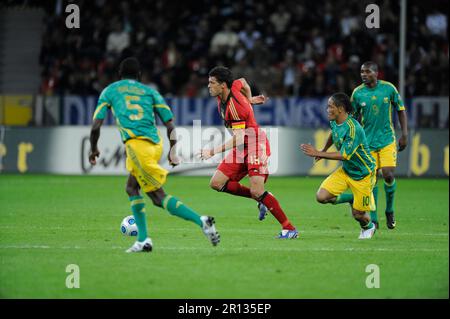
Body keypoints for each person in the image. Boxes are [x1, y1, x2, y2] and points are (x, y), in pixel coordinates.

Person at [89, 57, 220, 253]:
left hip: (136, 147)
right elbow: (170, 124)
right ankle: (143, 240)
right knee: (131, 188)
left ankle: (201, 221)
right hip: (155, 144)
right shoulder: (149, 92)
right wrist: (173, 151)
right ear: (140, 76)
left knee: (158, 197)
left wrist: (93, 148)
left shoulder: (110, 90)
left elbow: (96, 126)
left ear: (119, 75)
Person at [200, 66, 298, 239]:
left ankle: (289, 228)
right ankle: (263, 200)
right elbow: (243, 82)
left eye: (212, 83)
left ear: (223, 85)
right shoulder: (231, 89)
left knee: (257, 191)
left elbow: (238, 138)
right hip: (243, 146)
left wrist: (212, 151)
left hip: (255, 144)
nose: (208, 86)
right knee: (217, 183)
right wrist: (250, 99)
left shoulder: (234, 107)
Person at [301, 93, 377, 239]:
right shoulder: (335, 121)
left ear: (341, 109)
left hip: (363, 174)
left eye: (331, 107)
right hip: (347, 170)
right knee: (321, 197)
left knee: (358, 214)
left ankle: (369, 227)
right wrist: (324, 150)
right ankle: (350, 198)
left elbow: (344, 155)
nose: (327, 109)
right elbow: (333, 133)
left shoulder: (354, 129)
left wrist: (318, 153)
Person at [350, 61, 408, 229]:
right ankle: (374, 218)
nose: (363, 74)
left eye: (367, 72)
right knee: (372, 178)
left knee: (388, 174)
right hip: (367, 142)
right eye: (361, 72)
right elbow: (354, 119)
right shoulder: (358, 93)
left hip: (387, 140)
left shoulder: (389, 89)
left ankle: (389, 210)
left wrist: (404, 134)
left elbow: (401, 110)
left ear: (376, 73)